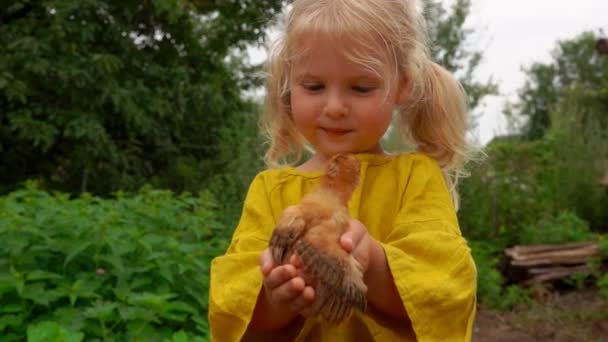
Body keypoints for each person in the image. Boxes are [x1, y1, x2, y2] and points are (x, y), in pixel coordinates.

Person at [208, 0, 477, 340]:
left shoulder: (415, 177)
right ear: (289, 85)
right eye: (314, 87)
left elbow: (446, 290)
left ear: (402, 86)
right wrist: (281, 296)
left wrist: (370, 261)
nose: (334, 107)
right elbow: (233, 305)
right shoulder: (271, 190)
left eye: (361, 88)